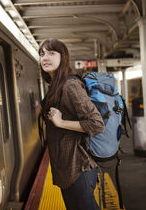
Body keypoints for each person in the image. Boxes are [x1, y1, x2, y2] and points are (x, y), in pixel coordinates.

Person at [39, 38, 105, 210]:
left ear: (63, 58)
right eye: (42, 54)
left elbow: (97, 124)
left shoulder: (70, 85)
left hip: (78, 169)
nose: (45, 57)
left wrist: (61, 122)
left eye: (51, 53)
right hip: (67, 170)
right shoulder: (55, 86)